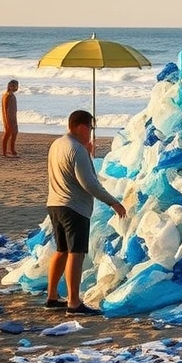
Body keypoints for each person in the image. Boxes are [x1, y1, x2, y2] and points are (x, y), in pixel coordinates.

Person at [46, 110, 127, 316]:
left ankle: (52, 297)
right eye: (90, 128)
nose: (90, 132)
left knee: (61, 250)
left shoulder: (58, 144)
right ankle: (73, 303)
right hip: (74, 207)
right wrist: (113, 203)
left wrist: (86, 151)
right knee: (76, 253)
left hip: (55, 204)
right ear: (81, 126)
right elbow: (89, 183)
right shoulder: (76, 149)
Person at [1, 79, 19, 158]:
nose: (16, 88)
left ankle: (12, 149)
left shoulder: (12, 95)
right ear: (10, 86)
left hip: (13, 117)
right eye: (14, 86)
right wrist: (7, 120)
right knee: (7, 133)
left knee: (15, 132)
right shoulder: (7, 96)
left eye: (17, 86)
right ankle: (4, 151)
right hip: (8, 117)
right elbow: (5, 109)